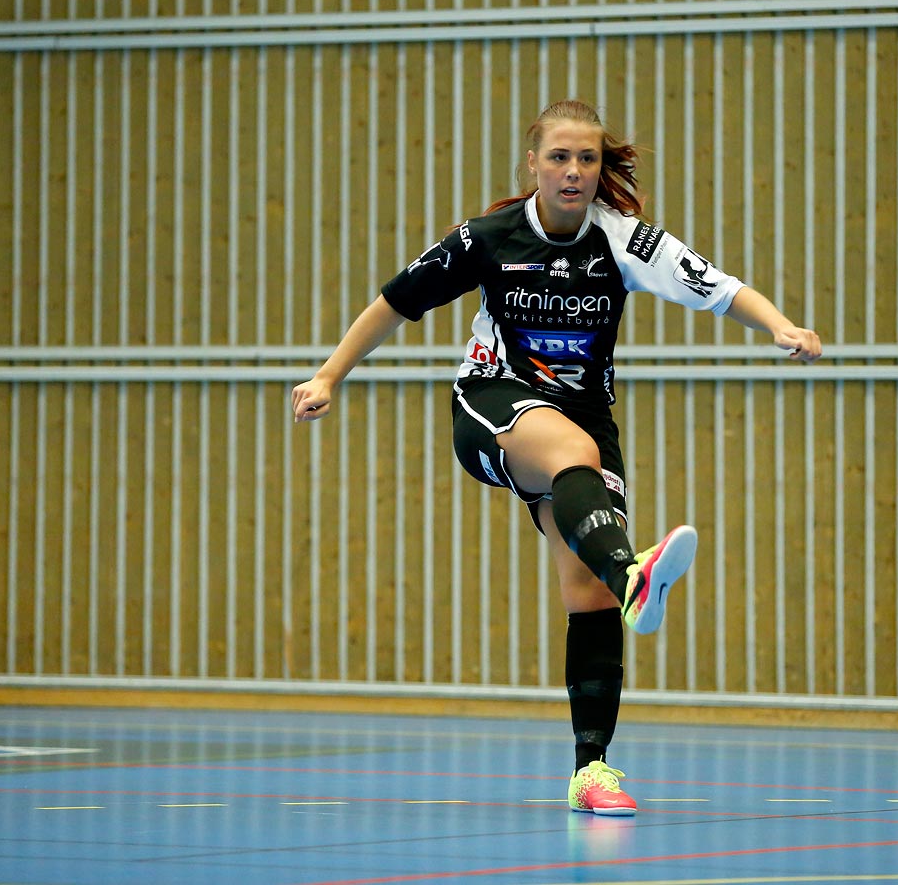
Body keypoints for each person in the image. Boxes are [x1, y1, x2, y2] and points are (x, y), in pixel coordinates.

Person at [291, 99, 822, 817]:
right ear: (534, 164)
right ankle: (634, 571)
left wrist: (780, 325)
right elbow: (396, 302)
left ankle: (591, 769)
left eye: (588, 159)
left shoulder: (624, 243)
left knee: (590, 595)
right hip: (494, 404)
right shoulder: (487, 239)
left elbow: (718, 288)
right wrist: (329, 374)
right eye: (560, 158)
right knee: (571, 457)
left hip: (586, 421)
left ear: (602, 169)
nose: (574, 172)